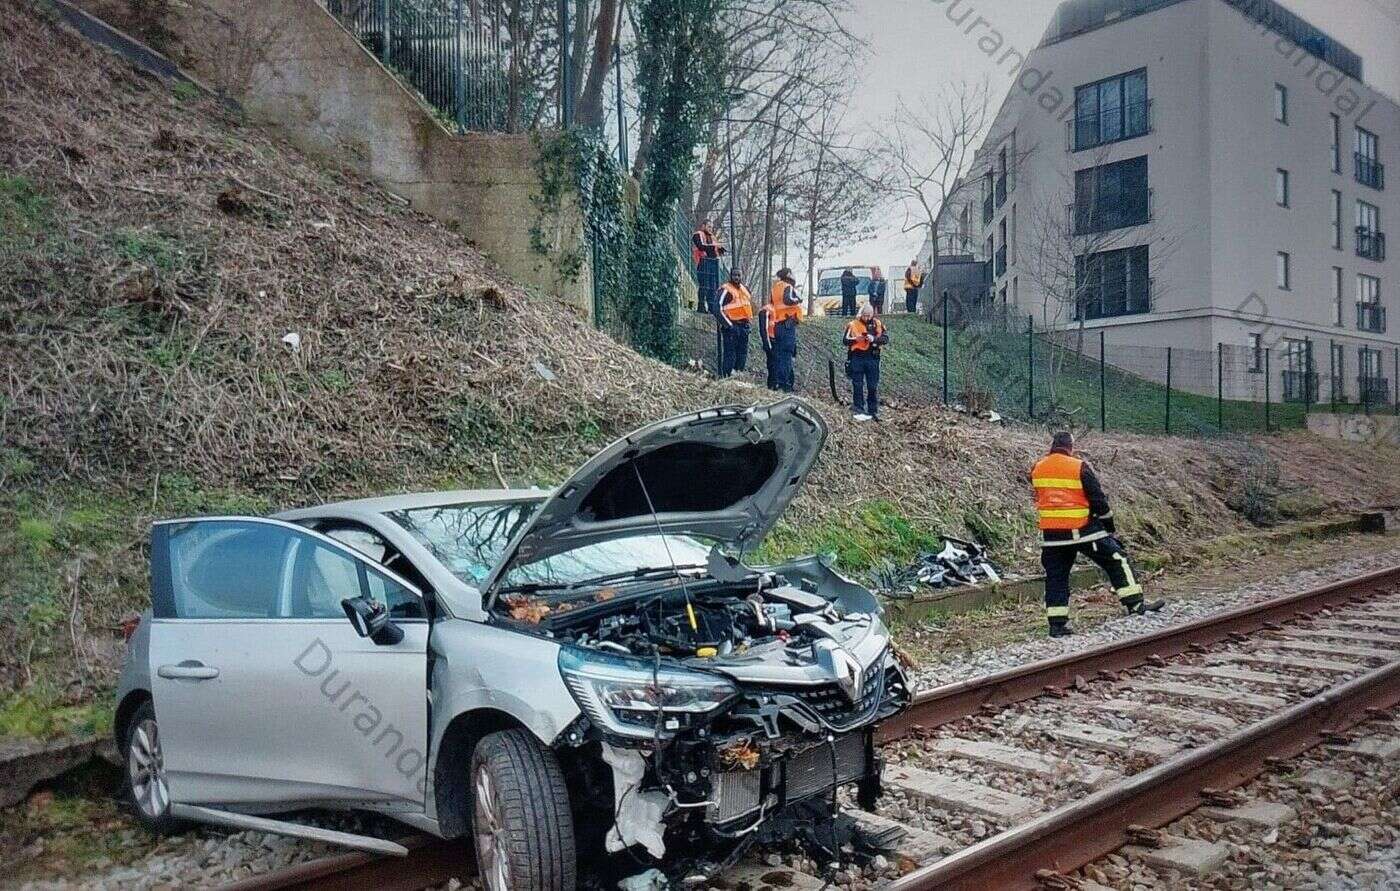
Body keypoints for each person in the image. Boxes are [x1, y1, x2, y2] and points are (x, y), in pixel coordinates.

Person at [1032, 432, 1164, 637]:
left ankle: (1057, 625)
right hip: (1084, 531)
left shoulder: (1037, 468)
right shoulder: (1078, 467)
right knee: (1117, 559)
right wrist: (1108, 524)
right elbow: (1098, 499)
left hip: (1051, 536)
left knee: (1056, 577)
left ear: (1052, 446)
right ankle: (1135, 604)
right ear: (1071, 447)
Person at [843, 304, 888, 421]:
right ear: (860, 314)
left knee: (872, 385)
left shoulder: (877, 323)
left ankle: (872, 410)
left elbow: (885, 338)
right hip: (857, 357)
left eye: (869, 315)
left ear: (872, 314)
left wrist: (874, 339)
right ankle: (859, 408)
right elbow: (845, 340)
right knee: (857, 384)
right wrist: (855, 340)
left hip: (872, 357)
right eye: (865, 315)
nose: (867, 317)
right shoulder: (852, 325)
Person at [767, 267, 803, 392]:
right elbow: (788, 300)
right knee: (787, 357)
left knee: (780, 356)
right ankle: (785, 385)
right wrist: (798, 299)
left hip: (778, 325)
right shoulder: (788, 286)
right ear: (788, 275)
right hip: (788, 325)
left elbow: (772, 304)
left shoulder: (775, 287)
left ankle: (778, 383)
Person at [716, 268, 753, 378]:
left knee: (742, 354)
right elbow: (717, 308)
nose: (736, 277)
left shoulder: (745, 289)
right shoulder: (726, 289)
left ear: (742, 276)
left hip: (744, 327)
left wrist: (749, 324)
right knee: (730, 355)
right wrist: (729, 325)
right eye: (734, 275)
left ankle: (738, 377)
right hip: (732, 327)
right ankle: (727, 378)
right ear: (730, 276)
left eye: (738, 275)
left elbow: (748, 307)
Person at [692, 219, 726, 314]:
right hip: (703, 262)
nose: (711, 229)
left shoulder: (713, 237)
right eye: (709, 226)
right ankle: (701, 306)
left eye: (711, 227)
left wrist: (720, 249)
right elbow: (701, 246)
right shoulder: (698, 234)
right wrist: (714, 246)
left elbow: (716, 249)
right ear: (703, 226)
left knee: (713, 287)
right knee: (704, 286)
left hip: (713, 263)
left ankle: (711, 307)